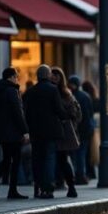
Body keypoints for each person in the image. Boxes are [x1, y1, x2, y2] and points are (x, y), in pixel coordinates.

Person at [0, 67, 30, 199]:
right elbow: (17, 113)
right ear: (10, 77)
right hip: (13, 132)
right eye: (16, 76)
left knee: (6, 159)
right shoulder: (11, 91)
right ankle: (12, 190)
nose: (17, 78)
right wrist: (25, 131)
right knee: (15, 160)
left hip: (1, 132)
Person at [24, 65, 67, 199]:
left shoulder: (31, 91)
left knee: (37, 159)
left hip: (36, 132)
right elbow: (59, 110)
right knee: (49, 158)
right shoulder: (53, 90)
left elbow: (26, 113)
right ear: (48, 75)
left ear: (37, 76)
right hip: (51, 131)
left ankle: (37, 187)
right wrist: (66, 116)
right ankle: (48, 188)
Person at [51, 67, 80, 198]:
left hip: (62, 132)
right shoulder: (60, 92)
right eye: (53, 76)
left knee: (61, 159)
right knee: (58, 159)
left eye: (57, 76)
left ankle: (69, 185)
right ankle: (60, 183)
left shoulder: (65, 94)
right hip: (56, 131)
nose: (54, 78)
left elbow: (74, 114)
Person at [68, 75, 95, 185]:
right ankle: (81, 174)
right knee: (82, 153)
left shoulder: (69, 96)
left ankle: (75, 174)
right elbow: (90, 113)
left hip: (74, 129)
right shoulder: (86, 96)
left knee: (74, 153)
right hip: (85, 129)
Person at [81, 80, 101, 179]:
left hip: (88, 127)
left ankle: (89, 172)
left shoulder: (85, 98)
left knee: (87, 151)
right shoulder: (95, 99)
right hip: (95, 128)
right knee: (92, 151)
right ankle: (91, 172)